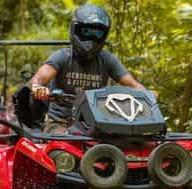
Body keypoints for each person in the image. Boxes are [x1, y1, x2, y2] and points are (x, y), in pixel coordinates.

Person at [28, 4, 150, 133]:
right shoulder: (62, 57)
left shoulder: (107, 59)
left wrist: (147, 96)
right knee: (63, 152)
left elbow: (132, 84)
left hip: (96, 122)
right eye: (86, 32)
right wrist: (37, 88)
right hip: (60, 122)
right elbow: (38, 78)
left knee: (122, 148)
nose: (91, 39)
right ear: (75, 30)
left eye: (97, 33)